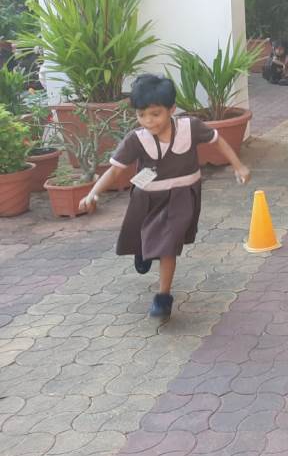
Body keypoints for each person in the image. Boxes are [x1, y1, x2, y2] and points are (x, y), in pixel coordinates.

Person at [78, 74, 251, 319]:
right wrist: (93, 193)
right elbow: (115, 170)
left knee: (169, 244)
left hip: (182, 196)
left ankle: (163, 297)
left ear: (171, 109)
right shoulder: (136, 139)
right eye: (141, 115)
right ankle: (144, 249)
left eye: (155, 114)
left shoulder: (190, 127)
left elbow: (217, 141)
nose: (148, 121)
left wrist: (238, 166)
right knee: (147, 235)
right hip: (147, 199)